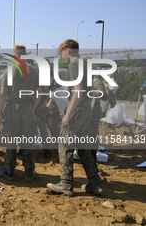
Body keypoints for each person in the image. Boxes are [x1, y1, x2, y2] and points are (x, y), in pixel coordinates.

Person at [47, 39, 102, 196]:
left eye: (62, 53)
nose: (62, 57)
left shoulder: (73, 65)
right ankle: (95, 183)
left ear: (68, 50)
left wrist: (68, 114)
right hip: (86, 110)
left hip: (76, 110)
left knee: (64, 146)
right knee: (83, 147)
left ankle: (65, 183)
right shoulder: (86, 64)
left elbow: (78, 90)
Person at [0, 44, 41, 182]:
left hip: (11, 107)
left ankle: (9, 171)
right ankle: (29, 172)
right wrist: (31, 107)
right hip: (27, 107)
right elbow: (38, 93)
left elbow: (3, 94)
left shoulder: (8, 71)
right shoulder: (34, 71)